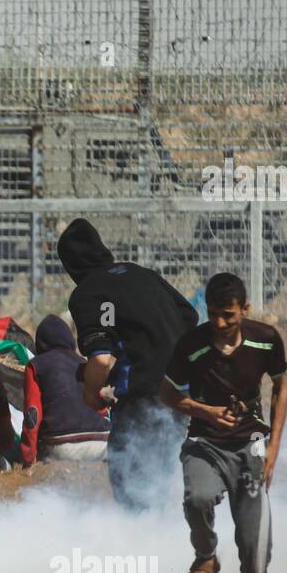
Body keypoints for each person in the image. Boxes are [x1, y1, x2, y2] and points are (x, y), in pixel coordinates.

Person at [159, 273, 287, 573]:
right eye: (214, 314)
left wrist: (274, 449)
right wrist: (206, 411)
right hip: (205, 445)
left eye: (228, 316)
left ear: (245, 310)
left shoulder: (266, 340)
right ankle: (206, 559)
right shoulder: (192, 345)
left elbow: (281, 387)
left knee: (253, 541)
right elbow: (167, 394)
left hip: (251, 449)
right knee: (198, 498)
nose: (220, 323)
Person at [57, 218, 198, 512]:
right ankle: (165, 546)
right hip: (180, 390)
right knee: (157, 481)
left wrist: (90, 394)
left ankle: (144, 548)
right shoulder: (141, 273)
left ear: (70, 265)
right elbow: (189, 316)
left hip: (142, 399)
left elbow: (101, 357)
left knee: (130, 487)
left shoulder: (88, 293)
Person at [31, 314, 111, 461]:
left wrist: (27, 458)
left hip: (63, 447)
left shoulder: (36, 365)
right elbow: (101, 406)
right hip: (103, 443)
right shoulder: (84, 363)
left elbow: (32, 415)